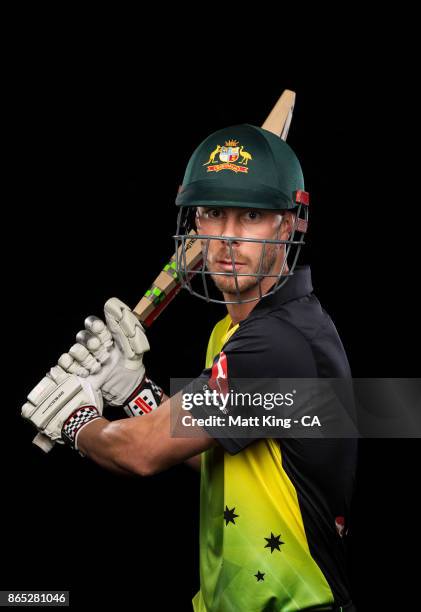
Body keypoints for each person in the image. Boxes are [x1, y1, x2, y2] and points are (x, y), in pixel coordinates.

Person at [22, 124, 357, 611]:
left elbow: (140, 453)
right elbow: (219, 456)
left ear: (287, 227)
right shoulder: (233, 330)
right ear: (194, 223)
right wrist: (136, 389)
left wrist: (78, 421)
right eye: (214, 213)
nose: (227, 237)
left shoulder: (279, 346)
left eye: (252, 216)